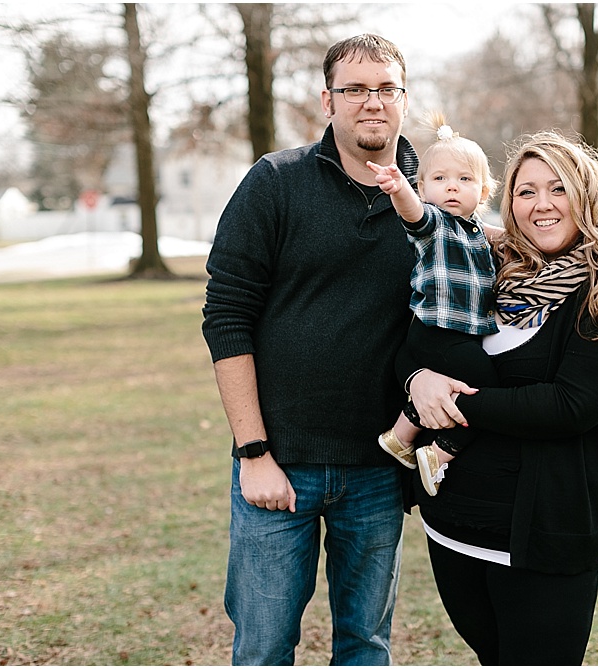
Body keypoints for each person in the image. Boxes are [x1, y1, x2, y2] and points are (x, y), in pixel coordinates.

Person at [402, 130, 598, 665]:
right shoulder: (485, 267)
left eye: (558, 189)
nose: (541, 205)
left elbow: (569, 406)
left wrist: (453, 404)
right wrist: (417, 380)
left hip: (546, 529)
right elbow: (417, 338)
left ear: (587, 196)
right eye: (526, 192)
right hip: (455, 524)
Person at [201, 34, 419, 666]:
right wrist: (253, 453)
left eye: (386, 88)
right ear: (328, 101)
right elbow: (227, 317)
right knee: (264, 647)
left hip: (379, 469)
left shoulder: (430, 200)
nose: (371, 102)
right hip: (279, 466)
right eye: (355, 89)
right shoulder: (275, 181)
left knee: (365, 647)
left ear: (403, 99)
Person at [367, 113, 501, 497]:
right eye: (439, 180)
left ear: (484, 190)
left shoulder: (476, 230)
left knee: (467, 387)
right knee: (486, 391)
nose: (452, 188)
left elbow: (503, 235)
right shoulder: (435, 225)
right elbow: (415, 215)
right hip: (436, 332)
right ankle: (440, 453)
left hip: (457, 335)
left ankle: (400, 436)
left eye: (464, 179)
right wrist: (398, 191)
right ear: (423, 187)